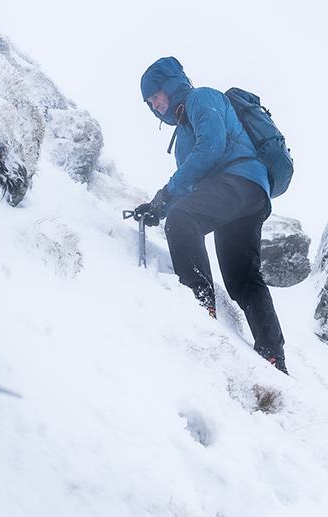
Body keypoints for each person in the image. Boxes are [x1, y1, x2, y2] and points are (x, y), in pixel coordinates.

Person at [135, 57, 287, 373]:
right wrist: (158, 207)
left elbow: (211, 148)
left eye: (157, 93)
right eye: (150, 101)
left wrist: (166, 201)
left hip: (239, 180)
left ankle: (199, 301)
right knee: (241, 278)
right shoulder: (181, 138)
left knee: (182, 218)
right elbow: (193, 189)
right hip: (246, 194)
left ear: (172, 85)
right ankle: (273, 356)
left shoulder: (202, 97)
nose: (156, 103)